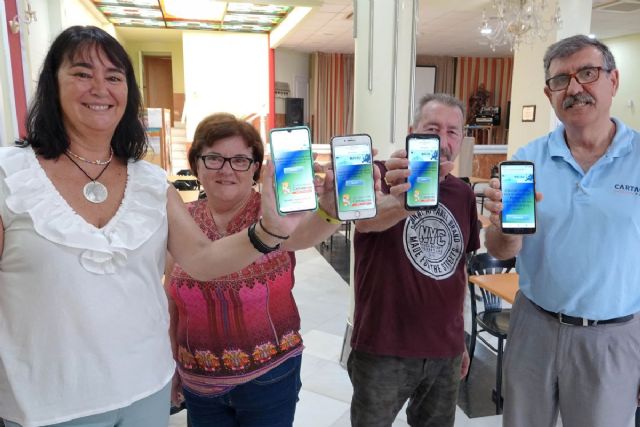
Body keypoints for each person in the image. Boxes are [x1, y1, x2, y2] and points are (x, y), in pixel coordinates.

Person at [0, 26, 301, 427]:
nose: (100, 88)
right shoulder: (11, 176)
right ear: (52, 84)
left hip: (146, 389)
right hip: (48, 402)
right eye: (82, 73)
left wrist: (268, 231)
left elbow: (202, 259)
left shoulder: (150, 182)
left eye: (114, 77)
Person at [164, 113, 363, 427]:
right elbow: (170, 300)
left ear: (255, 168)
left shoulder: (272, 213)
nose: (227, 169)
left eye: (240, 160)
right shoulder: (181, 220)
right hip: (199, 380)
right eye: (214, 158)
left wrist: (330, 212)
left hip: (269, 378)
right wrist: (170, 361)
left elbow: (302, 234)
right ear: (197, 165)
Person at [484, 35, 640, 427]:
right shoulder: (527, 159)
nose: (573, 88)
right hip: (533, 326)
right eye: (560, 80)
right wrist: (504, 229)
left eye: (587, 73)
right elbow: (501, 249)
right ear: (549, 94)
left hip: (613, 337)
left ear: (613, 81)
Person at [348, 93, 480, 427]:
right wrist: (405, 200)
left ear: (461, 139)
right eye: (432, 129)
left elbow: (459, 268)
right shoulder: (381, 175)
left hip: (444, 350)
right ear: (412, 132)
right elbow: (365, 221)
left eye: (452, 132)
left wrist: (461, 338)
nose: (443, 141)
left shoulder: (463, 193)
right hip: (383, 347)